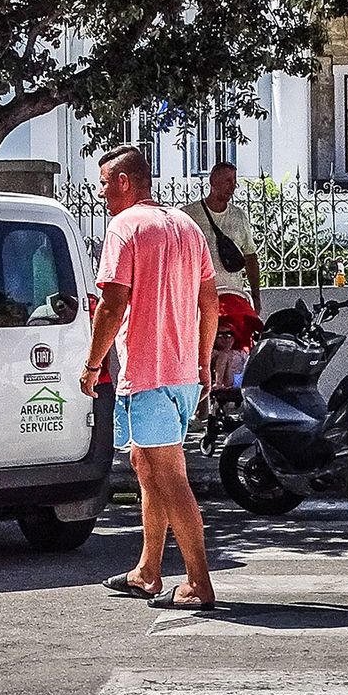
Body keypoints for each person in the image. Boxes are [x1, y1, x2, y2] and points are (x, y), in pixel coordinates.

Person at [84, 146, 217, 611]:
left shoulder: (124, 228)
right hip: (180, 374)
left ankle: (199, 582)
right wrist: (202, 364)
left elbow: (112, 304)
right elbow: (210, 304)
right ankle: (148, 571)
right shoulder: (186, 225)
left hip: (149, 372)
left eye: (103, 183)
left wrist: (93, 363)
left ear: (123, 181)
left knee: (168, 475)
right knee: (148, 467)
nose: (100, 193)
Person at [181, 161, 261, 352]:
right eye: (227, 180)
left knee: (238, 351)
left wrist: (256, 296)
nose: (232, 186)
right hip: (201, 298)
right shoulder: (189, 215)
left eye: (234, 181)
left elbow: (250, 256)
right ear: (212, 181)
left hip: (234, 297)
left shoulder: (238, 216)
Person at [210, 324, 247, 392]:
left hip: (238, 380)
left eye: (229, 335)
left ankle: (219, 384)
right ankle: (218, 383)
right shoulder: (213, 353)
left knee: (224, 355)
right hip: (219, 380)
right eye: (220, 336)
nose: (225, 339)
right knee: (223, 355)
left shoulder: (240, 353)